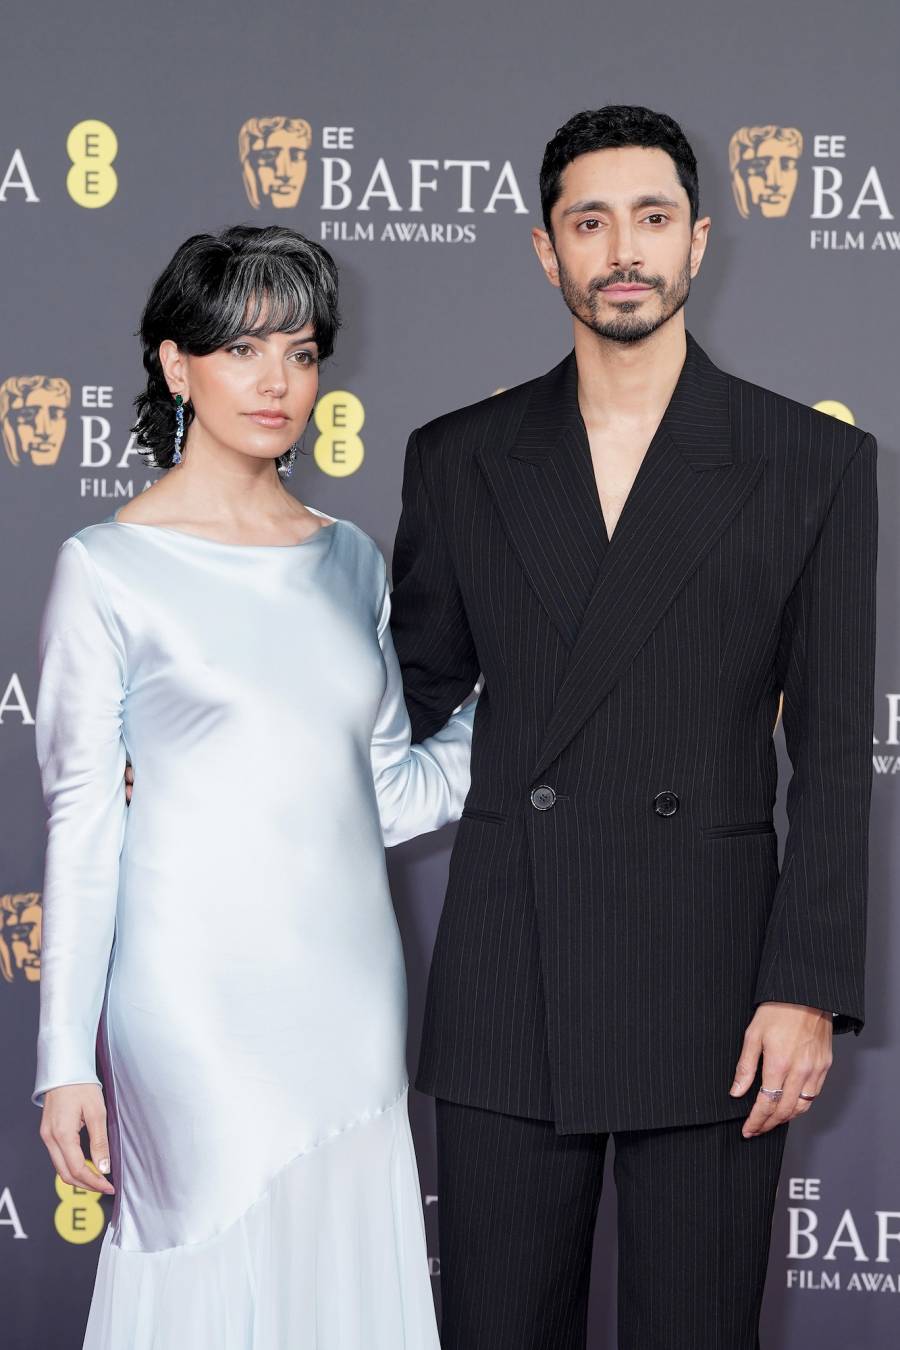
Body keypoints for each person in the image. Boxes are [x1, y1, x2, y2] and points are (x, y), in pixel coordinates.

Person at [388, 106, 878, 1349]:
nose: (623, 249)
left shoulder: (811, 462)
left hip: (716, 991)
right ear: (543, 251)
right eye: (589, 220)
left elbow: (830, 755)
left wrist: (807, 987)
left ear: (699, 241)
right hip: (512, 980)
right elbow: (407, 696)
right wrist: (197, 750)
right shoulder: (459, 458)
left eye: (652, 218)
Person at [33, 224, 474, 1350]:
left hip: (351, 998)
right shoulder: (108, 569)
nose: (278, 381)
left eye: (304, 349)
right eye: (242, 349)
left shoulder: (350, 558)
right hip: (190, 1001)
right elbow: (83, 824)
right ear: (176, 364)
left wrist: (522, 710)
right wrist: (61, 1065)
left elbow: (385, 794)